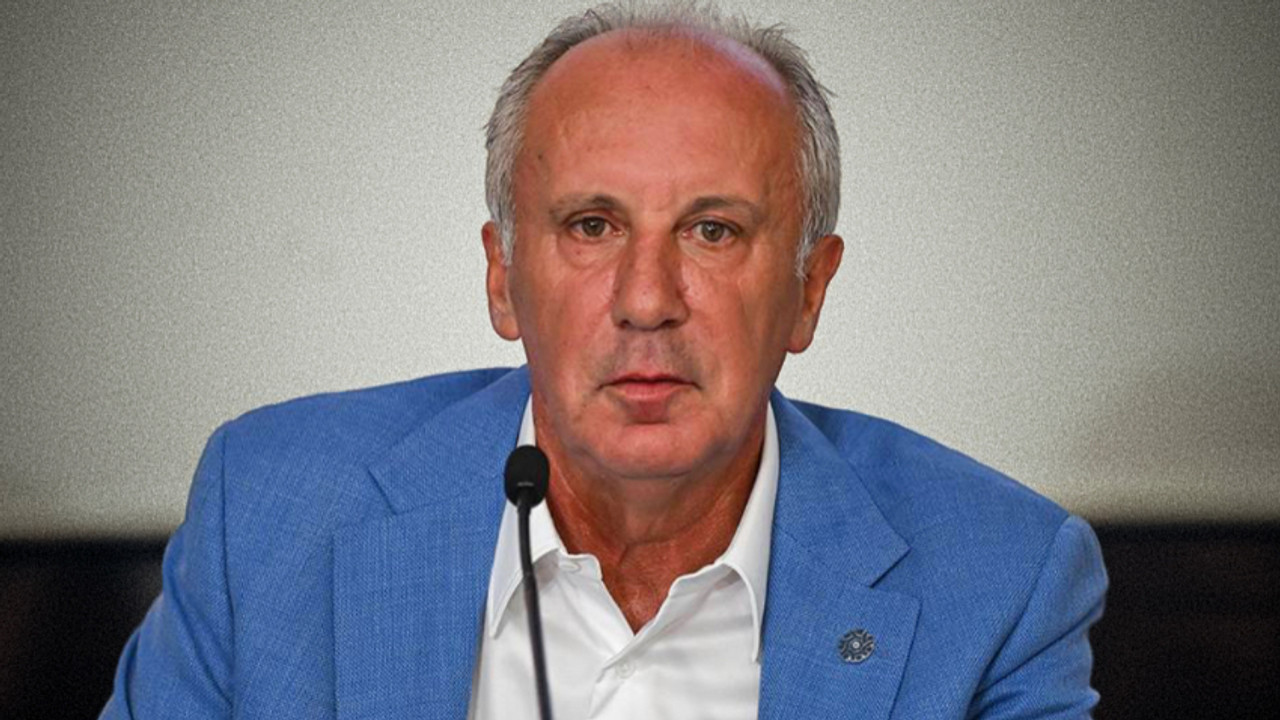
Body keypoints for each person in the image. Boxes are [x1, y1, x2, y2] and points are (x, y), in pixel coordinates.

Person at [101, 3, 1107, 719]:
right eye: (591, 225)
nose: (646, 299)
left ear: (808, 289)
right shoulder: (270, 515)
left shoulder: (998, 580)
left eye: (712, 231)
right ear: (503, 277)